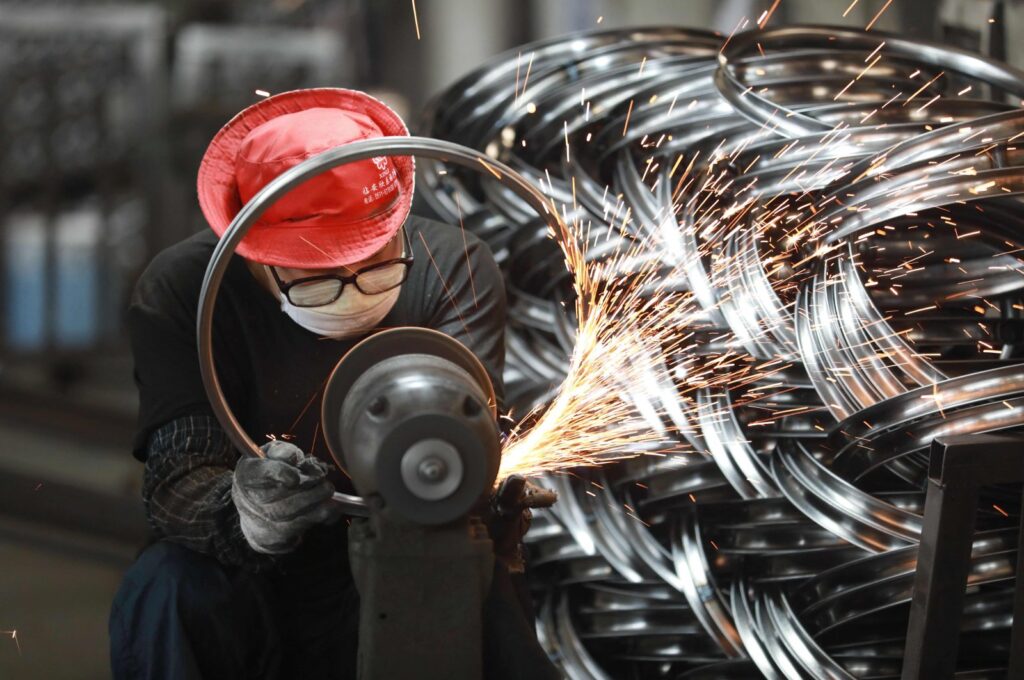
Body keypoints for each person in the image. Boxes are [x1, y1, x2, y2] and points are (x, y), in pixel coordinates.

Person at [108, 88, 559, 680]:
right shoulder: (185, 290)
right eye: (318, 279)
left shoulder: (453, 267)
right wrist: (243, 513)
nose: (353, 290)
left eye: (374, 262)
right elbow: (175, 480)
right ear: (252, 255)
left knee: (467, 583)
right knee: (166, 587)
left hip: (410, 558)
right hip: (250, 589)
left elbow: (470, 436)